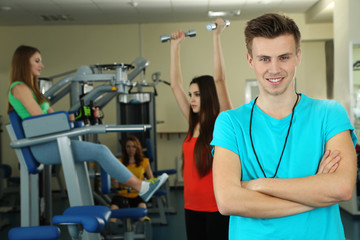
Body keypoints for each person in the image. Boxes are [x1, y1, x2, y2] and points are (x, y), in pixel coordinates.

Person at [211, 13, 357, 240]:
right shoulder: (230, 123)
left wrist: (257, 185)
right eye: (264, 59)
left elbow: (342, 188)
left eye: (284, 57)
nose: (275, 69)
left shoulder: (329, 113)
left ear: (298, 56)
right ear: (250, 60)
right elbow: (228, 201)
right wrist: (315, 194)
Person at [6, 45, 168, 203]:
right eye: (37, 61)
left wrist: (83, 113)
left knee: (100, 151)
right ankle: (141, 187)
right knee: (101, 151)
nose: (42, 65)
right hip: (43, 147)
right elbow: (43, 121)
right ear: (24, 62)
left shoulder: (32, 90)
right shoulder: (19, 88)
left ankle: (141, 187)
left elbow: (54, 117)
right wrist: (69, 119)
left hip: (52, 143)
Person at [170, 17, 232, 240]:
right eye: (191, 95)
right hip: (191, 205)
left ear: (207, 95)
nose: (192, 99)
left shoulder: (222, 123)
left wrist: (216, 36)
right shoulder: (192, 121)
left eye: (197, 94)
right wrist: (175, 47)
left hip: (216, 207)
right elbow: (175, 85)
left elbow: (220, 80)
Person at [109, 136, 153, 222]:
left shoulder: (144, 162)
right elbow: (115, 185)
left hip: (138, 195)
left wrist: (145, 183)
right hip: (122, 196)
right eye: (128, 146)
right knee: (112, 215)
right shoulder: (119, 162)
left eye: (133, 146)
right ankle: (112, 233)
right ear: (125, 148)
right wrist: (114, 181)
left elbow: (151, 180)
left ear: (137, 148)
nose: (131, 149)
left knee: (142, 212)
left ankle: (142, 229)